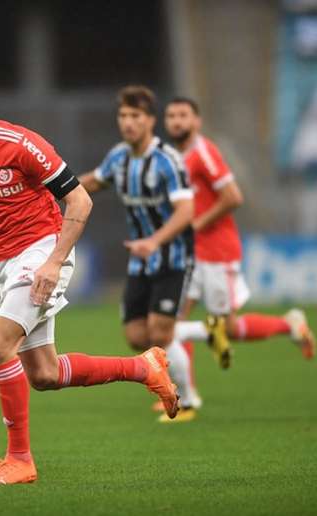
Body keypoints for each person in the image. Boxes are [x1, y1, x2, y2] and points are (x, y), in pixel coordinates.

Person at [0, 75, 179, 485]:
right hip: (7, 263)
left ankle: (20, 460)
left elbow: (79, 198)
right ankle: (144, 367)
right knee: (45, 375)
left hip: (43, 252)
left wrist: (53, 262)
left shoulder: (24, 145)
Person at [163, 97, 317, 418]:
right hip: (192, 254)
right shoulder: (175, 156)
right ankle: (181, 393)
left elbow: (233, 197)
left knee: (228, 328)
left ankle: (289, 325)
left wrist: (197, 225)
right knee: (173, 320)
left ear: (197, 121)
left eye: (183, 115)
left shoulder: (204, 152)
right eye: (171, 116)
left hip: (217, 253)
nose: (176, 121)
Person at [78, 86, 196, 421]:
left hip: (172, 255)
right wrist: (54, 185)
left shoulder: (167, 161)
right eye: (123, 116)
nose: (128, 123)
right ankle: (202, 330)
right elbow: (95, 182)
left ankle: (185, 400)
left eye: (136, 117)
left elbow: (186, 211)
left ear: (151, 121)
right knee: (136, 337)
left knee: (160, 334)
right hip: (140, 259)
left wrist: (156, 240)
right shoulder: (119, 157)